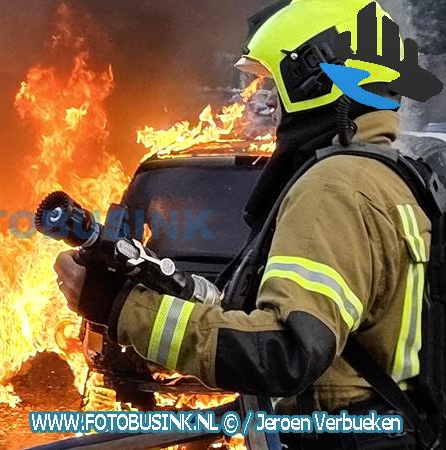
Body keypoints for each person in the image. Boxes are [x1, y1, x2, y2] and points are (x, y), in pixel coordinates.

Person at [54, 1, 437, 448]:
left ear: (313, 78)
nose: (268, 104)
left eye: (274, 84)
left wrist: (121, 309)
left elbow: (284, 353)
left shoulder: (336, 188)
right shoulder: (393, 178)